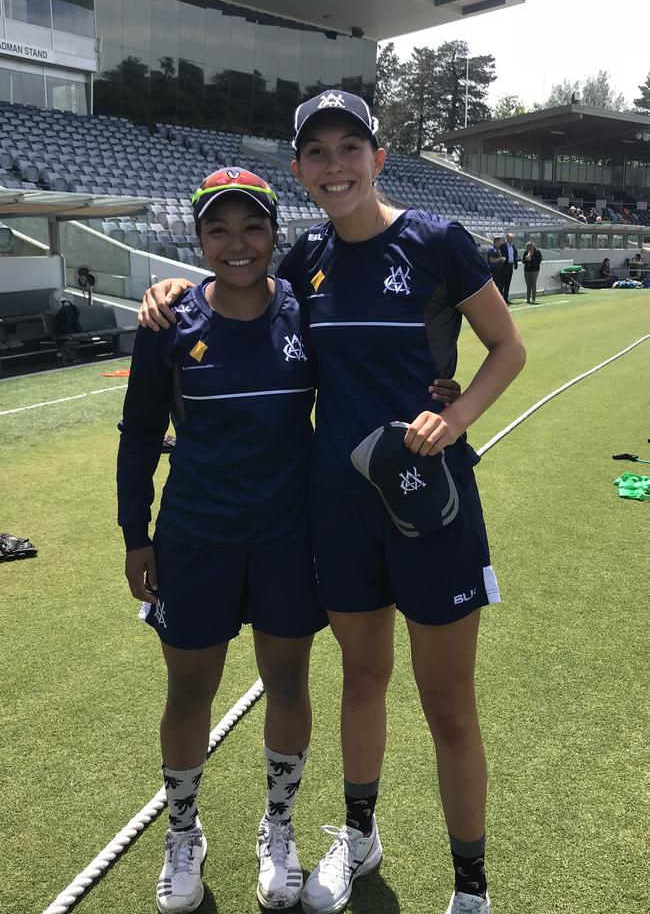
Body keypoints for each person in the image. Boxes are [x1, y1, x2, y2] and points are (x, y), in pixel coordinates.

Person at [140, 89, 526, 914]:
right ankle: (359, 837)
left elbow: (507, 345)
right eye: (317, 151)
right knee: (361, 680)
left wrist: (455, 415)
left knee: (450, 707)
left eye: (350, 146)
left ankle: (471, 890)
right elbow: (236, 284)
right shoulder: (304, 259)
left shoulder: (435, 240)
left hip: (430, 506)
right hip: (336, 511)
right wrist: (171, 292)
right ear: (301, 171)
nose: (335, 163)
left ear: (378, 158)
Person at [117, 168, 328, 914]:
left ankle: (279, 826)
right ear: (198, 239)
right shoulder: (169, 323)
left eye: (251, 228)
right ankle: (184, 832)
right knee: (189, 690)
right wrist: (134, 536)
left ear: (273, 233)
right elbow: (141, 433)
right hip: (195, 538)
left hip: (286, 538)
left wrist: (438, 393)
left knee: (289, 684)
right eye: (218, 230)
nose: (236, 245)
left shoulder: (306, 314)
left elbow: (366, 379)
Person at [499, 233, 519, 304]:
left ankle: (506, 298)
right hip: (504, 266)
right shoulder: (502, 246)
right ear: (507, 238)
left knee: (508, 283)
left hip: (510, 266)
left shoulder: (513, 246)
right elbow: (499, 254)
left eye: (512, 239)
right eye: (510, 238)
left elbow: (515, 254)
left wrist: (515, 263)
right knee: (502, 283)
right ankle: (500, 299)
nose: (511, 240)